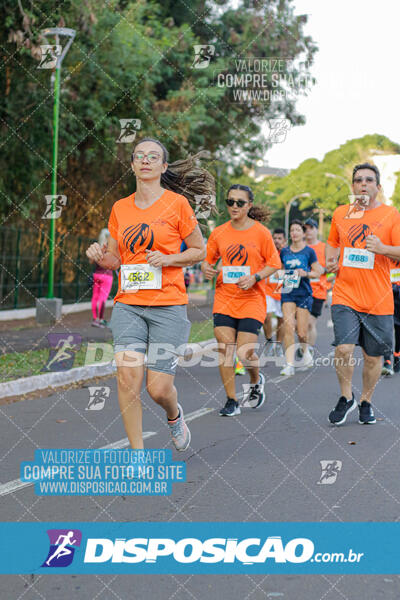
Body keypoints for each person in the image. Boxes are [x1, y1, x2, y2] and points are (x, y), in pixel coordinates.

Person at [86, 138, 214, 450]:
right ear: (131, 165)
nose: (145, 160)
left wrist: (169, 259)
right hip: (129, 303)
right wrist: (101, 258)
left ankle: (174, 415)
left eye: (153, 157)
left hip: (167, 304)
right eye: (139, 156)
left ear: (163, 166)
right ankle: (137, 454)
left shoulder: (177, 205)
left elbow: (200, 250)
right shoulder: (120, 208)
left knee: (158, 389)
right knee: (128, 380)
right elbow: (116, 260)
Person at [326, 163, 400, 426]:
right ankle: (346, 396)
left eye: (369, 180)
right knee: (344, 348)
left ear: (378, 187)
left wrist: (382, 247)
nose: (363, 184)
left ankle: (366, 400)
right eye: (358, 180)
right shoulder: (341, 213)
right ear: (353, 186)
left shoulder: (391, 215)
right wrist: (330, 261)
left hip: (378, 299)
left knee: (372, 358)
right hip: (345, 294)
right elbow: (333, 243)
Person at [201, 184, 281, 416]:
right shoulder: (220, 232)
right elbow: (208, 259)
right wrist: (207, 268)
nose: (234, 206)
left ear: (249, 205)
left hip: (251, 299)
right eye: (230, 202)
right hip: (225, 297)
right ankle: (231, 400)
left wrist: (255, 277)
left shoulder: (261, 233)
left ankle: (256, 380)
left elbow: (274, 264)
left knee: (245, 353)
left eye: (239, 202)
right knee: (225, 349)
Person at [279, 220, 322, 377]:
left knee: (302, 332)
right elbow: (280, 269)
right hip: (288, 292)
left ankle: (305, 352)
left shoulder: (309, 252)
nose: (294, 233)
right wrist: (280, 275)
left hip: (303, 293)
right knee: (289, 327)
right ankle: (289, 364)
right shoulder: (284, 252)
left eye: (297, 230)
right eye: (292, 230)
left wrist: (306, 273)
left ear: (303, 234)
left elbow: (318, 271)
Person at [304, 218, 327, 351]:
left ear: (316, 230)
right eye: (306, 229)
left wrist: (322, 271)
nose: (308, 231)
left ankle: (309, 350)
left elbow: (331, 269)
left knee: (310, 323)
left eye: (311, 228)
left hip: (318, 290)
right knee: (299, 325)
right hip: (301, 290)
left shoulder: (324, 248)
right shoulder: (300, 247)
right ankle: (304, 348)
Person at [263, 228, 286, 357]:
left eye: (279, 239)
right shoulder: (268, 252)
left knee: (281, 319)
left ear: (284, 240)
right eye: (275, 238)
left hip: (283, 290)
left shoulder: (287, 253)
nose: (276, 241)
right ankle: (269, 340)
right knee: (266, 316)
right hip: (268, 290)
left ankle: (278, 344)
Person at [90, 228, 114, 328]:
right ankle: (100, 320)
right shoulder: (110, 249)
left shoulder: (97, 248)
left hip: (96, 275)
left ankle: (95, 319)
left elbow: (91, 261)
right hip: (107, 276)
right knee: (102, 298)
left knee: (95, 297)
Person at [381, 259, 400, 376]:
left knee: (398, 328)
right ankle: (387, 360)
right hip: (386, 290)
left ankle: (397, 355)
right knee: (385, 326)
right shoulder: (383, 247)